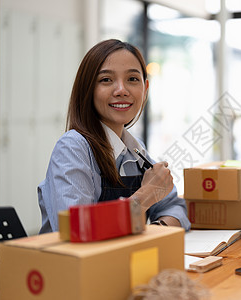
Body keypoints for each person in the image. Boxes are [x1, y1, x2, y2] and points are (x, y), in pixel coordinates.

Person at [38, 39, 190, 233]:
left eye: (132, 79)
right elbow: (77, 230)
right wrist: (146, 195)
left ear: (145, 89)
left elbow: (175, 208)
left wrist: (157, 229)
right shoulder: (73, 148)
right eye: (106, 80)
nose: (121, 90)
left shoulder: (134, 149)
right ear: (88, 90)